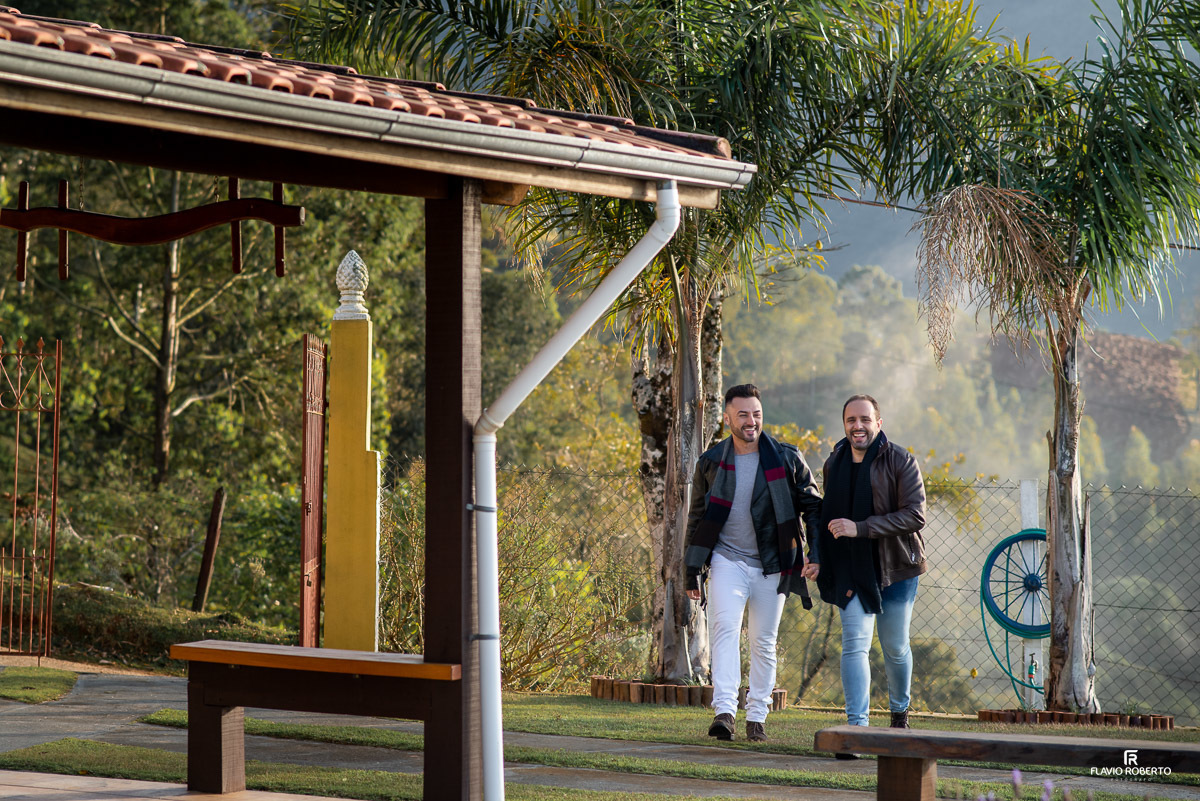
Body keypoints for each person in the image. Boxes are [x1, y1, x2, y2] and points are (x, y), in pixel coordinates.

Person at [684, 383, 822, 743]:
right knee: (725, 630)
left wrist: (815, 553)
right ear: (727, 417)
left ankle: (757, 716)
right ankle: (725, 712)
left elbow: (814, 508)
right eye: (743, 414)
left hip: (773, 565)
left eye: (756, 414)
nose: (751, 421)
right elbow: (696, 519)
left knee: (763, 641)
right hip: (727, 560)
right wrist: (691, 570)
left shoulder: (787, 458)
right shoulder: (711, 462)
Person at [808, 394, 927, 752]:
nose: (857, 426)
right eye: (850, 420)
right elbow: (827, 515)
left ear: (879, 422)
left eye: (864, 419)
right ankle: (856, 730)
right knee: (854, 645)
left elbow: (915, 515)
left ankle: (899, 710)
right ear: (844, 424)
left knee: (893, 646)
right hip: (851, 568)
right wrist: (818, 557)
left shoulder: (901, 460)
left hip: (896, 569)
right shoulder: (835, 463)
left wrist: (861, 528)